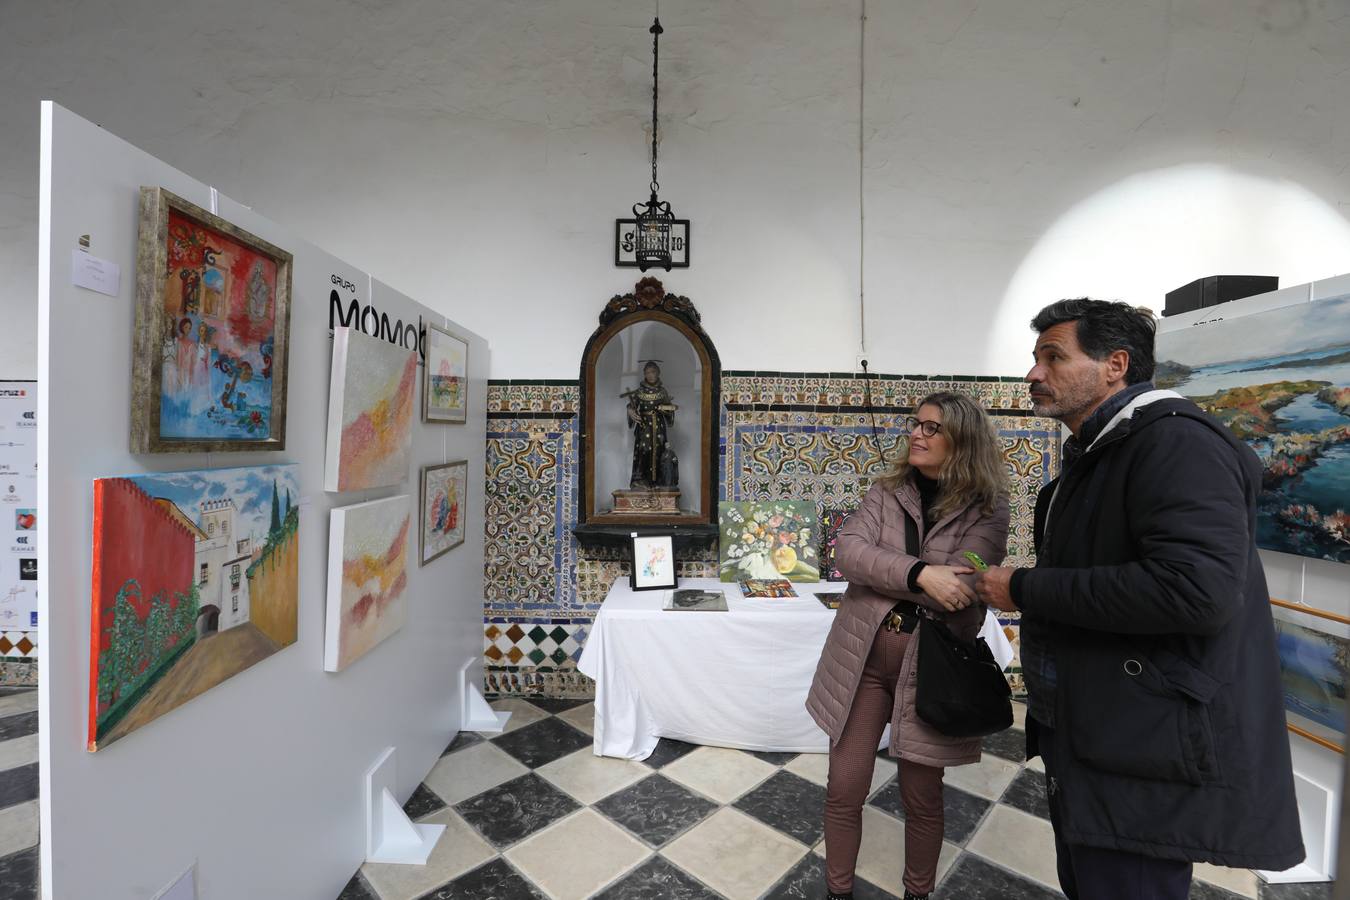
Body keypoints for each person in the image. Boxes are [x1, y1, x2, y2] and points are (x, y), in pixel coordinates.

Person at [975, 298, 1303, 899]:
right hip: (1107, 734)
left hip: (1145, 745)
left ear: (1115, 365)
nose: (1033, 375)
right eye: (1035, 359)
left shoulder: (1175, 445)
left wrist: (1023, 587)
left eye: (1053, 358)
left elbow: (1195, 591)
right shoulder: (1108, 449)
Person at [806, 391, 1010, 900]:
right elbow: (848, 554)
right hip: (862, 662)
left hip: (931, 669)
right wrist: (920, 573)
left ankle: (917, 894)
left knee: (922, 797)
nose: (917, 434)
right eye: (916, 425)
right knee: (843, 788)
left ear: (962, 440)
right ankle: (837, 892)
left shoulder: (988, 509)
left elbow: (959, 587)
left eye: (932, 428)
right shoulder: (886, 490)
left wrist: (891, 571)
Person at [625, 360, 678, 489]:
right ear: (644, 374)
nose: (650, 375)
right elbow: (631, 406)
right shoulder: (639, 392)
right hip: (644, 428)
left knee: (660, 452)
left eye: (653, 372)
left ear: (658, 373)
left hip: (658, 427)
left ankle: (659, 482)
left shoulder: (662, 391)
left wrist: (666, 410)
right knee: (643, 451)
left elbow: (670, 409)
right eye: (647, 372)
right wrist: (631, 411)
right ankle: (640, 480)